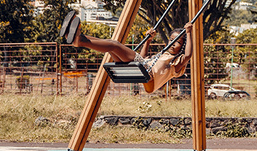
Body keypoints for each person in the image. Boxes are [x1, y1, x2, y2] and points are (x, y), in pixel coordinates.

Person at [59, 10, 194, 93]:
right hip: (142, 69)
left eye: (176, 42)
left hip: (148, 75)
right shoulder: (162, 54)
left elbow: (188, 55)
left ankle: (80, 41)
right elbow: (142, 57)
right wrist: (148, 41)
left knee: (114, 45)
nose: (172, 43)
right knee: (110, 46)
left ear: (182, 46)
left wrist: (189, 33)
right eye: (171, 39)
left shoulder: (177, 63)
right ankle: (75, 37)